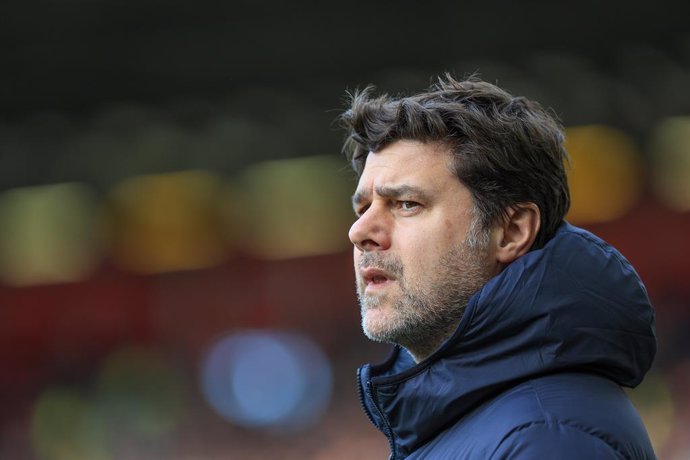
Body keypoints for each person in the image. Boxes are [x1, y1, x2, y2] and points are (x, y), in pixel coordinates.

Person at [339, 75, 657, 459]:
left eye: (407, 204)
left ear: (511, 231)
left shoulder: (548, 438)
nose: (360, 231)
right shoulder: (481, 426)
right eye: (362, 208)